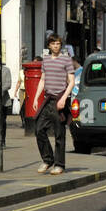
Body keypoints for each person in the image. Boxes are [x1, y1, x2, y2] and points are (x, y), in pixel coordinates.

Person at [34, 34, 75, 175]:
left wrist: (64, 98)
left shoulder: (66, 59)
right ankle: (47, 159)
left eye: (58, 44)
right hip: (47, 99)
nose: (56, 46)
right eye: (53, 44)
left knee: (59, 134)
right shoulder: (45, 60)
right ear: (49, 45)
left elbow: (72, 81)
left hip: (59, 100)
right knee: (39, 129)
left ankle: (59, 164)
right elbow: (42, 80)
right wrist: (35, 97)